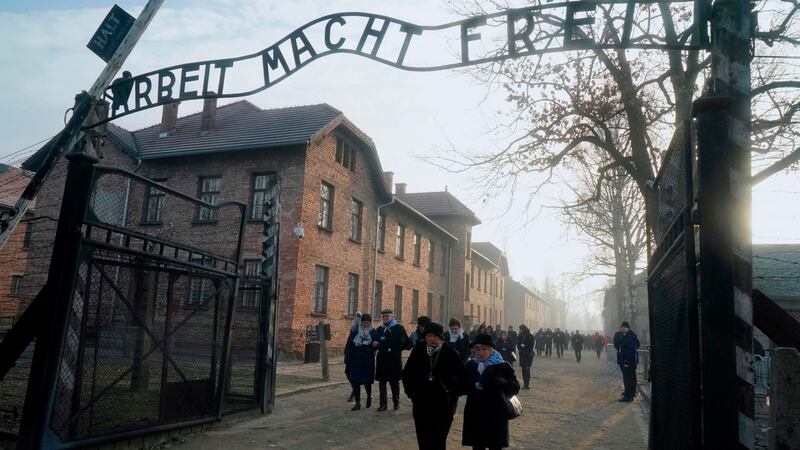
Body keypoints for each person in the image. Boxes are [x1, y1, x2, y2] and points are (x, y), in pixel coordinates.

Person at [402, 322, 464, 450]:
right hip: (421, 403)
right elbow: (407, 373)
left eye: (435, 336)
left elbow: (461, 379)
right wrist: (412, 393)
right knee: (423, 438)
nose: (432, 339)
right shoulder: (419, 349)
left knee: (438, 440)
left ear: (441, 337)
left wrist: (451, 397)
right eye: (429, 336)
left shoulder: (450, 353)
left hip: (443, 405)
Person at [461, 334, 520, 450]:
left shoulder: (502, 365)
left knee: (495, 446)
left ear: (491, 349)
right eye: (477, 349)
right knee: (477, 446)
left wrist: (502, 382)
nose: (481, 352)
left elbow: (515, 387)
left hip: (496, 414)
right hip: (476, 414)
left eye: (484, 349)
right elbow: (463, 386)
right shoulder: (471, 365)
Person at [374, 308, 411, 411]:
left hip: (394, 359)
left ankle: (396, 402)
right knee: (382, 382)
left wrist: (393, 349)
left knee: (394, 382)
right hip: (382, 359)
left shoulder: (399, 328)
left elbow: (406, 343)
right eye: (383, 317)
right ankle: (383, 404)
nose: (385, 318)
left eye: (387, 316)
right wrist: (375, 344)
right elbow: (376, 341)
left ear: (392, 317)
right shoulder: (380, 329)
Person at [344, 314, 378, 410]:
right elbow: (349, 345)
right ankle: (357, 403)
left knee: (367, 382)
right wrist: (347, 359)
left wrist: (376, 344)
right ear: (361, 322)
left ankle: (369, 397)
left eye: (367, 323)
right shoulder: (355, 332)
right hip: (356, 361)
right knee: (356, 382)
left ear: (370, 323)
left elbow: (378, 343)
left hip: (367, 361)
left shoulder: (373, 332)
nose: (366, 324)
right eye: (364, 322)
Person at [618, 321, 641, 402]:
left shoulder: (629, 336)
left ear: (625, 327)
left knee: (628, 379)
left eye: (622, 328)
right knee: (631, 378)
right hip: (630, 361)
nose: (621, 330)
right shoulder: (629, 335)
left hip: (629, 362)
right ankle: (630, 393)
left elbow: (631, 350)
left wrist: (626, 361)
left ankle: (628, 396)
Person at [346, 311, 363, 403]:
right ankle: (355, 392)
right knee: (347, 373)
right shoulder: (353, 330)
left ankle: (354, 393)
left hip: (358, 358)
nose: (356, 320)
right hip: (350, 356)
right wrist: (346, 354)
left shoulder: (363, 331)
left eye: (358, 318)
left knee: (355, 376)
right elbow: (348, 344)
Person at [516, 325, 535, 390]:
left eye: (521, 329)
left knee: (527, 369)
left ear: (523, 329)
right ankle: (525, 384)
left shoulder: (530, 336)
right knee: (523, 369)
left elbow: (531, 346)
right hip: (522, 355)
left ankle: (527, 384)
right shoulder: (520, 336)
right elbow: (518, 345)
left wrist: (526, 351)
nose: (520, 330)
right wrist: (521, 350)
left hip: (528, 355)